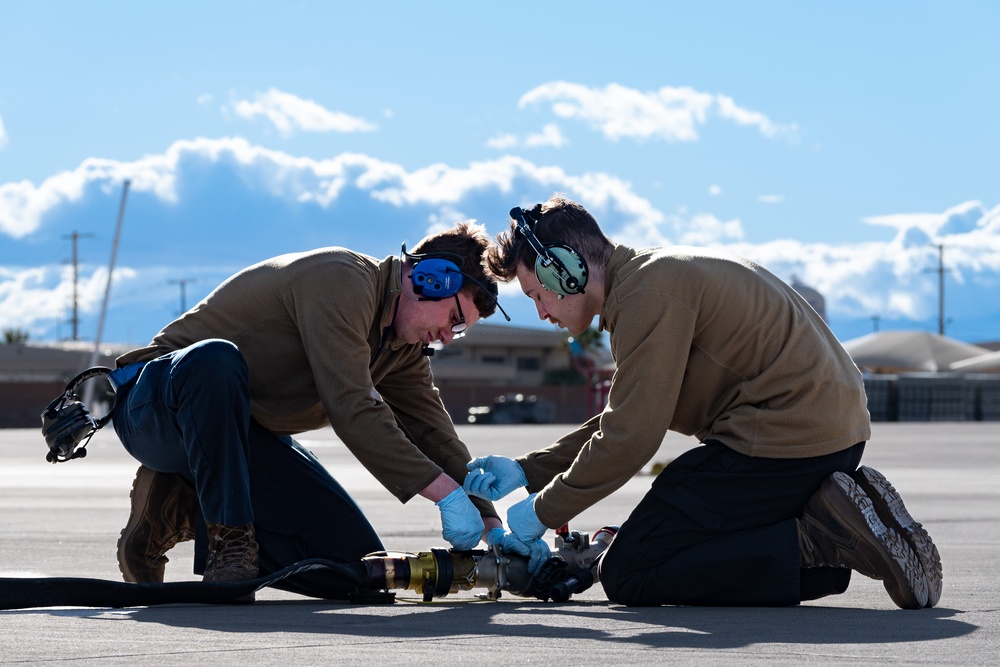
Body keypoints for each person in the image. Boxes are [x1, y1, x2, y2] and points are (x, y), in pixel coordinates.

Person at [464, 195, 943, 609]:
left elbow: (631, 439)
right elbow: (629, 415)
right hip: (823, 438)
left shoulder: (648, 297)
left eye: (535, 293)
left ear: (565, 269)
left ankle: (820, 539)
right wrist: (528, 472)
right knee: (680, 536)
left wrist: (537, 515)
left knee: (632, 570)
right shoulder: (652, 279)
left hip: (783, 444)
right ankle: (847, 517)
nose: (541, 311)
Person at [109, 221, 508, 598]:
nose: (448, 337)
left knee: (355, 570)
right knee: (216, 360)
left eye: (459, 330)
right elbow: (352, 406)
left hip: (238, 440)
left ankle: (174, 510)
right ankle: (228, 541)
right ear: (431, 278)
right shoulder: (343, 278)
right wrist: (446, 496)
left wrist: (492, 526)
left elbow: (432, 432)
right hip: (158, 409)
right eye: (454, 319)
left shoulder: (401, 347)